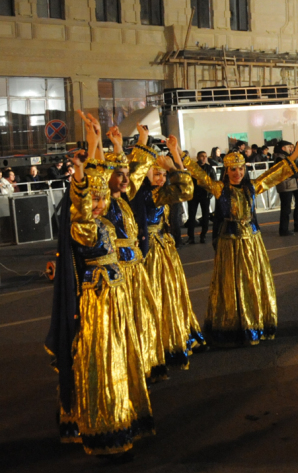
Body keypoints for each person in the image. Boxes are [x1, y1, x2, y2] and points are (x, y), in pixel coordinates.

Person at [45, 121, 153, 457]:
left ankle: (125, 415)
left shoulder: (108, 219)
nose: (97, 203)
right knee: (102, 363)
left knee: (122, 360)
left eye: (100, 198)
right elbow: (82, 217)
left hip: (118, 298)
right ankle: (105, 426)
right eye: (93, 198)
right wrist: (81, 171)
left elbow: (126, 181)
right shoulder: (85, 227)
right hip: (98, 305)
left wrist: (105, 148)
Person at [181, 139, 298, 345]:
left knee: (252, 282)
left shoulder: (252, 187)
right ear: (226, 171)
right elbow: (199, 175)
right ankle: (232, 326)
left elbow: (274, 174)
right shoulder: (220, 189)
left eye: (240, 169)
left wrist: (294, 155)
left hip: (251, 242)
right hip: (228, 243)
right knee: (230, 284)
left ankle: (254, 322)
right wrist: (179, 153)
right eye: (232, 169)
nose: (237, 173)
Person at [130, 137, 204, 369]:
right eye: (157, 174)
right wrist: (174, 166)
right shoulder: (149, 195)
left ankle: (170, 337)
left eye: (163, 174)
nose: (161, 179)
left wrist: (175, 154)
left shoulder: (151, 193)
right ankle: (158, 344)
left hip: (164, 248)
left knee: (169, 295)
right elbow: (186, 191)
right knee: (155, 297)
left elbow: (185, 190)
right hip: (150, 252)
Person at [102, 122, 167, 381]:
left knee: (142, 320)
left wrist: (137, 140)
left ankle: (142, 365)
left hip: (136, 270)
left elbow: (136, 172)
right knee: (125, 323)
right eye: (119, 175)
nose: (126, 179)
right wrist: (102, 145)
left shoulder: (126, 199)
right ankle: (126, 371)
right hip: (117, 275)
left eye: (126, 175)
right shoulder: (104, 203)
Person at [186, 150, 215, 244]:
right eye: (202, 156)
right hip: (193, 195)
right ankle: (191, 237)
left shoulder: (209, 168)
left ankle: (203, 235)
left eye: (205, 156)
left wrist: (210, 194)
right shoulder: (193, 168)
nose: (204, 158)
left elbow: (214, 181)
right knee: (191, 216)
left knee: (206, 216)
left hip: (205, 195)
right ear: (198, 157)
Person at [273, 141, 298, 236]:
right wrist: (295, 175)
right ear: (283, 148)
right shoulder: (280, 158)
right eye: (288, 147)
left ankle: (285, 229)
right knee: (285, 209)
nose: (290, 149)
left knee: (287, 208)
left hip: (287, 185)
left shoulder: (284, 157)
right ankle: (284, 230)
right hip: (285, 186)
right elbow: (284, 172)